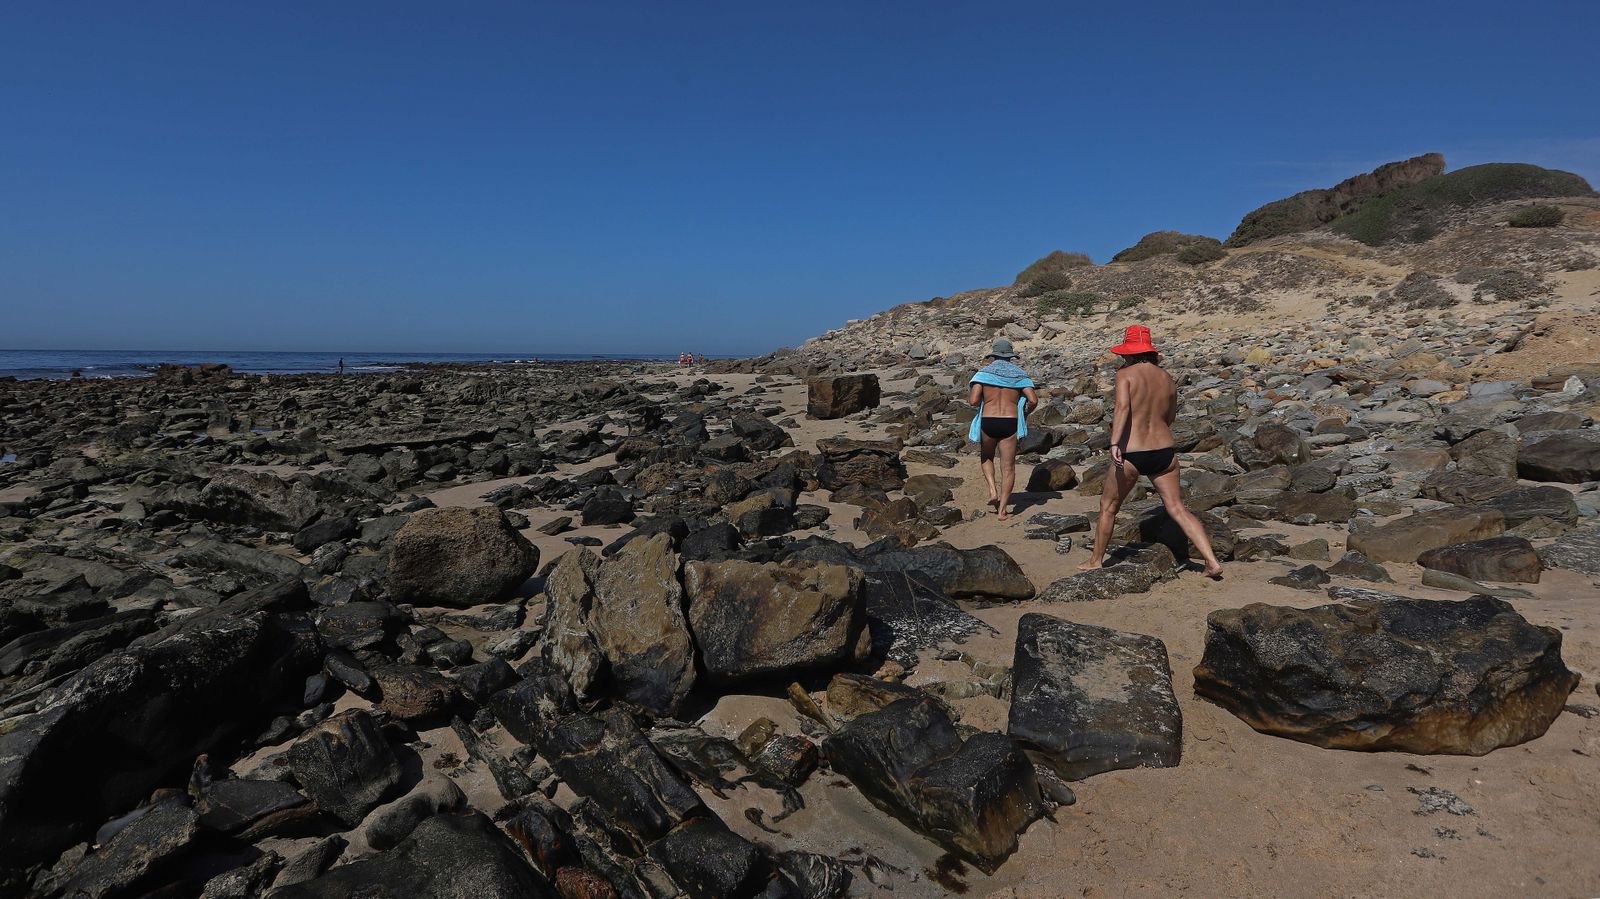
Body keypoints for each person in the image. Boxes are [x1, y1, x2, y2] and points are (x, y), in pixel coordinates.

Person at [1080, 326, 1223, 578]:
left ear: (1130, 353)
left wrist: (1114, 443)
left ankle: (1096, 561)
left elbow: (1122, 408)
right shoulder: (1166, 377)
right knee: (1177, 508)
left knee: (1108, 506)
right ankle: (1211, 562)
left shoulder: (1125, 375)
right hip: (1164, 452)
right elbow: (1170, 417)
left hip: (1132, 452)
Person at [968, 338, 1038, 521]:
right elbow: (1033, 400)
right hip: (1010, 422)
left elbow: (973, 401)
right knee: (1008, 468)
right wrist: (1025, 411)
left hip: (989, 421)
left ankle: (993, 490)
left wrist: (986, 399)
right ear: (1010, 356)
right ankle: (1002, 511)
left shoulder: (982, 374)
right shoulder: (1020, 375)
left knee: (987, 456)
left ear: (994, 355)